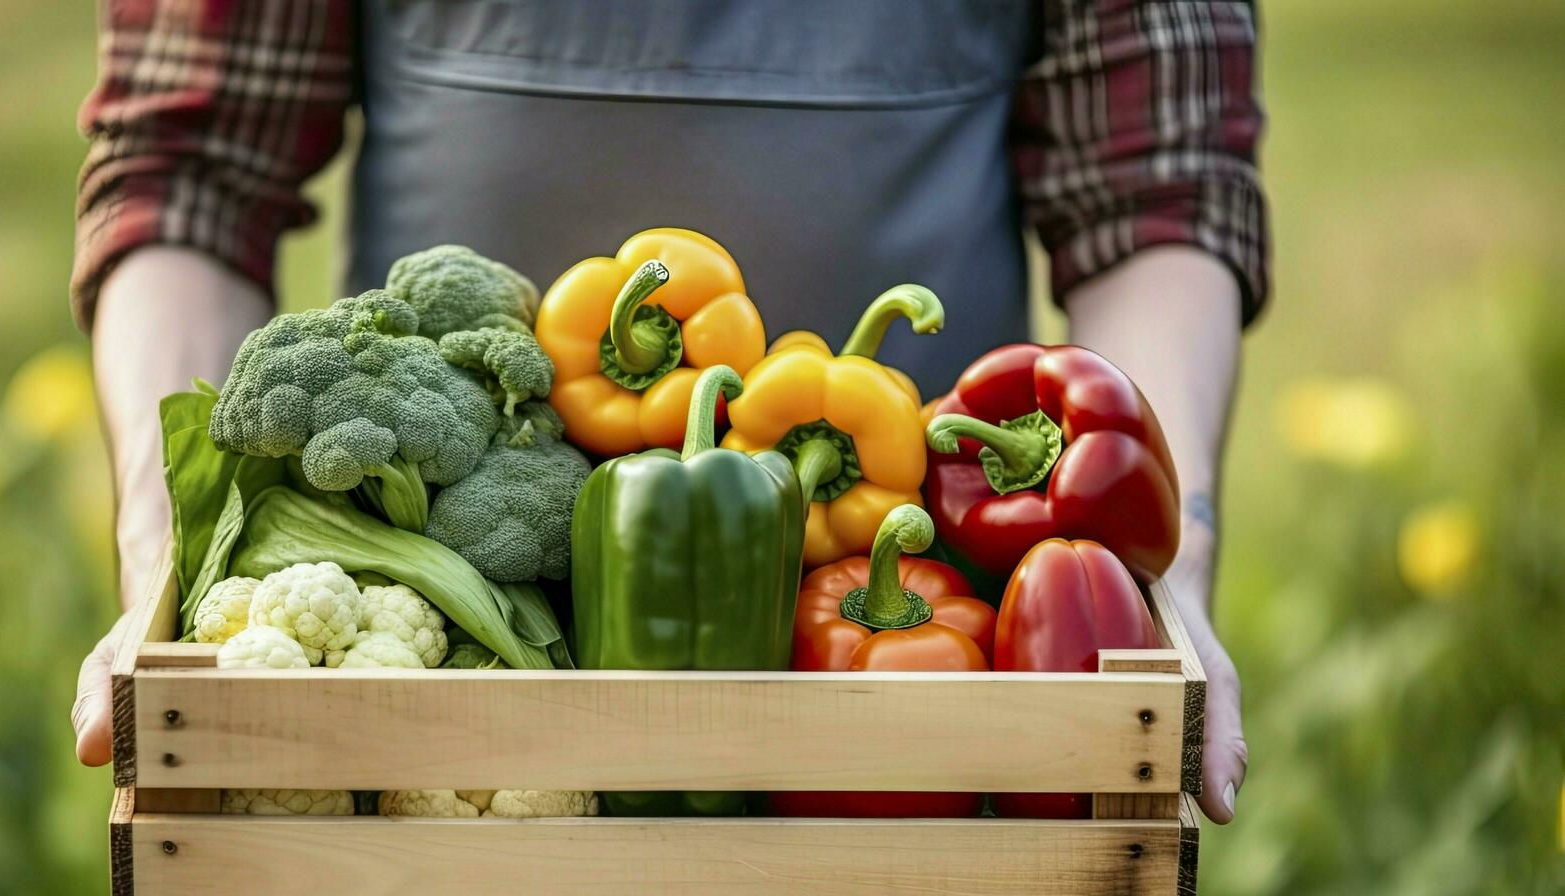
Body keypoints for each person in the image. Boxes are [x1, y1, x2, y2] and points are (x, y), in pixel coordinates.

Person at [69, 0, 1264, 825]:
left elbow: (1155, 189)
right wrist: (163, 561)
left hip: (930, 574)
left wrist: (1172, 564)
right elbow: (192, 165)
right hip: (444, 662)